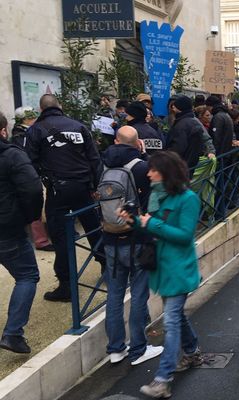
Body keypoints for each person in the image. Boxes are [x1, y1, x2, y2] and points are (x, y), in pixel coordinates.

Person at [120, 151, 202, 398]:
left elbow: (185, 235)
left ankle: (163, 379)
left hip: (178, 269)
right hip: (162, 268)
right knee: (176, 317)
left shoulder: (187, 199)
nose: (148, 173)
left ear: (166, 172)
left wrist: (150, 224)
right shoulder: (158, 196)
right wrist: (133, 221)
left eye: (153, 169)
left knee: (171, 321)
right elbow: (150, 226)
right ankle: (192, 352)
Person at [26, 94, 103, 302]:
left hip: (58, 190)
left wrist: (44, 181)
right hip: (83, 188)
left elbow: (30, 164)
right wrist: (95, 186)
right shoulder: (78, 126)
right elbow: (94, 159)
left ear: (41, 109)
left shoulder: (35, 130)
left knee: (60, 238)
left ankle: (67, 286)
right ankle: (108, 268)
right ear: (59, 106)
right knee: (93, 228)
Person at [102, 126, 164, 366]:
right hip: (137, 237)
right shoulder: (141, 166)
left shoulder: (103, 165)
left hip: (110, 238)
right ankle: (138, 348)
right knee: (139, 294)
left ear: (117, 141)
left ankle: (116, 349)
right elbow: (154, 196)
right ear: (138, 143)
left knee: (114, 295)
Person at [0, 111, 43, 353]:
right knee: (27, 276)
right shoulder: (12, 155)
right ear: (3, 130)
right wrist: (30, 218)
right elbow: (33, 189)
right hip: (9, 228)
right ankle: (13, 333)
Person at [12, 106, 53, 252]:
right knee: (37, 205)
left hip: (34, 172)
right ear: (26, 119)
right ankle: (41, 240)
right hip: (31, 174)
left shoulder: (24, 132)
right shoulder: (21, 135)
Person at [166, 95, 215, 170]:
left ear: (180, 107)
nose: (173, 107)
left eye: (175, 105)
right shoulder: (190, 121)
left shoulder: (183, 124)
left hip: (180, 166)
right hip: (190, 165)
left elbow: (178, 147)